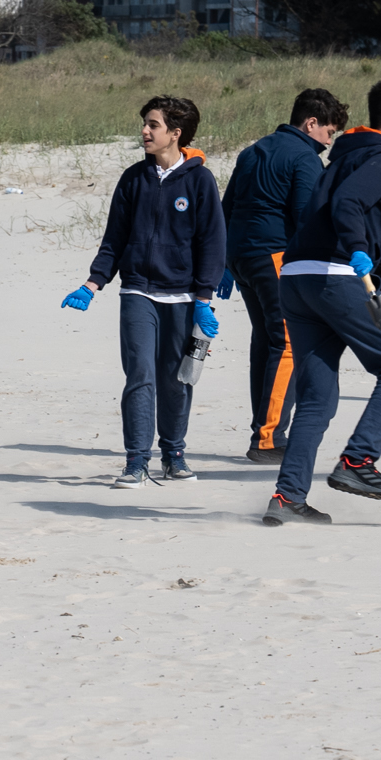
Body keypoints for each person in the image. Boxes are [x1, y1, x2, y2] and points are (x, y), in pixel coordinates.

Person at [262, 78, 381, 524]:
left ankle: (287, 497)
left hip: (296, 276)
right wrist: (356, 248)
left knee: (317, 395)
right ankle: (358, 462)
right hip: (332, 277)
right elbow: (349, 207)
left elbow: (341, 217)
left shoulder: (345, 156)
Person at [66, 95, 227, 487]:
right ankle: (136, 460)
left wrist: (204, 299)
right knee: (139, 374)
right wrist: (93, 282)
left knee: (179, 378)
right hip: (137, 291)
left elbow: (213, 242)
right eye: (145, 123)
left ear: (176, 133)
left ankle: (174, 453)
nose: (144, 131)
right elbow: (114, 239)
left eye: (153, 125)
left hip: (186, 297)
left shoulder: (200, 180)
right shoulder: (133, 178)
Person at [220, 88, 345, 462]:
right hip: (273, 253)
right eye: (328, 132)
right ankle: (268, 438)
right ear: (311, 123)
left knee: (267, 341)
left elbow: (227, 208)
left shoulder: (252, 150)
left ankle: (263, 429)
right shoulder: (304, 159)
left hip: (240, 256)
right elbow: (308, 217)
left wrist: (223, 263)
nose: (328, 141)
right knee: (287, 344)